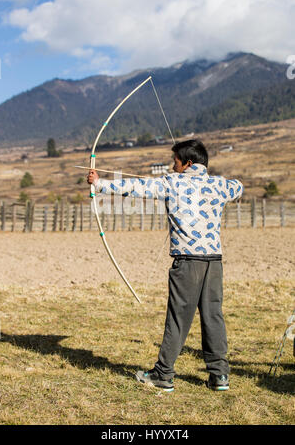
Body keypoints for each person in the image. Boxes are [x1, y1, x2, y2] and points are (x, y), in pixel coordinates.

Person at [87, 139, 243, 392]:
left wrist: (100, 183)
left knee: (178, 319)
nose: (173, 166)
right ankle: (219, 376)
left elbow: (138, 187)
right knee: (213, 315)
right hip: (214, 262)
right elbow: (238, 187)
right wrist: (215, 183)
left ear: (188, 163)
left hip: (187, 263)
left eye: (176, 162)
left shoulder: (172, 182)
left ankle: (163, 375)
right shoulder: (220, 185)